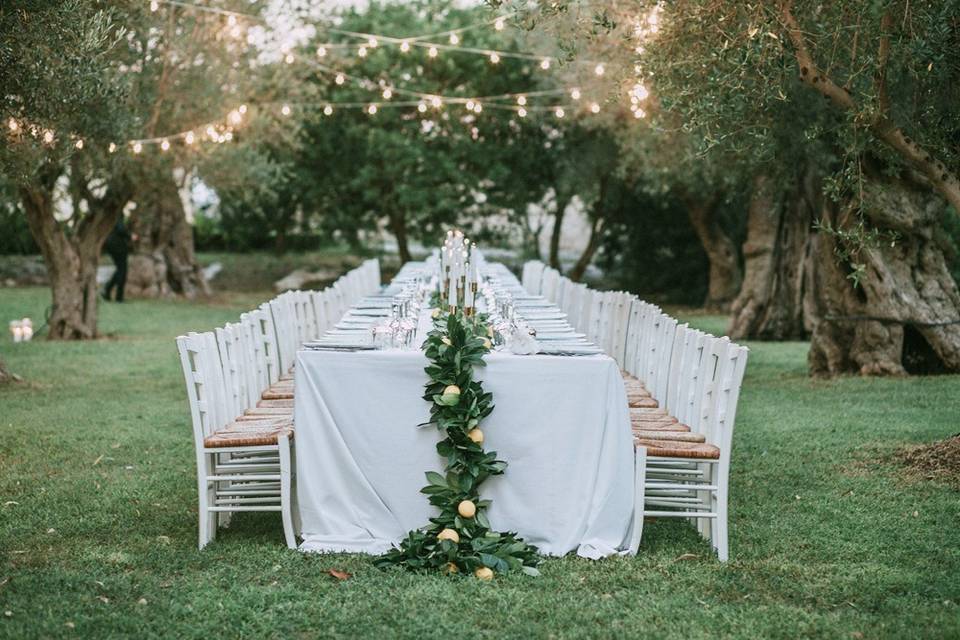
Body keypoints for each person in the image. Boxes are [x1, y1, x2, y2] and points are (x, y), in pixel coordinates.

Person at [103, 218, 133, 302]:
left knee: (120, 270)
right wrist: (130, 235)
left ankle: (108, 290)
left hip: (111, 246)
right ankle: (117, 295)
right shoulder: (117, 215)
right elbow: (121, 229)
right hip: (118, 247)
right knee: (122, 270)